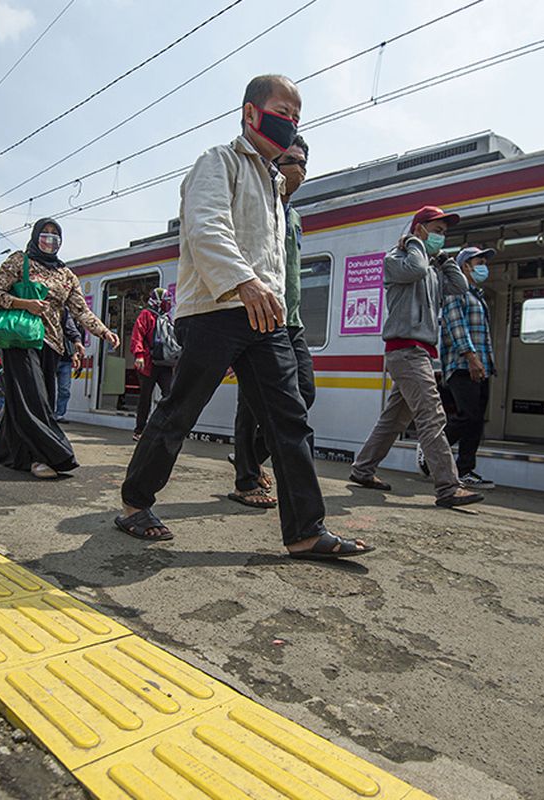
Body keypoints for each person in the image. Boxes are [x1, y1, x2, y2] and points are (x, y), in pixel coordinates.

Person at [115, 74, 373, 561]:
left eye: (297, 117)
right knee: (180, 410)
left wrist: (266, 296)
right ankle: (134, 504)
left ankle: (305, 530)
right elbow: (206, 227)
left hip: (264, 316)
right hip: (216, 307)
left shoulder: (275, 184)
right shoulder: (219, 162)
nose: (290, 122)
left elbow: (270, 261)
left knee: (289, 418)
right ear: (251, 113)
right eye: (282, 111)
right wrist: (243, 281)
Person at [348, 206, 483, 509]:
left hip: (420, 352)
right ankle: (448, 486)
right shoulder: (396, 260)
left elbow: (461, 288)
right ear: (419, 229)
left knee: (394, 418)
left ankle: (362, 469)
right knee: (432, 415)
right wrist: (414, 243)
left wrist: (447, 261)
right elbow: (416, 270)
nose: (441, 238)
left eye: (444, 233)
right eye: (436, 231)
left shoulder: (434, 269)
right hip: (406, 350)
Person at [0, 219, 118, 478]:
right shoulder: (19, 261)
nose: (50, 239)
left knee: (39, 398)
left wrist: (103, 331)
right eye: (45, 234)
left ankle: (7, 451)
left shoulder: (66, 275)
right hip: (21, 340)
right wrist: (24, 303)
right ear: (35, 236)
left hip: (53, 344)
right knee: (34, 400)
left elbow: (81, 310)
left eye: (55, 235)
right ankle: (44, 457)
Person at [229, 135, 314, 509]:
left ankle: (251, 459)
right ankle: (246, 477)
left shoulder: (294, 216)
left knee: (305, 392)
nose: (298, 169)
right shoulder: (259, 203)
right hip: (259, 314)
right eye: (290, 160)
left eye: (303, 163)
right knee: (251, 402)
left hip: (290, 318)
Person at [438, 245, 498, 490]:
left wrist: (485, 364)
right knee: (467, 415)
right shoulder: (456, 290)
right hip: (462, 364)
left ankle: (465, 470)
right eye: (479, 261)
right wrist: (471, 357)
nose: (484, 266)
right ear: (465, 266)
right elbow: (455, 325)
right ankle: (431, 448)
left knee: (476, 420)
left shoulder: (478, 296)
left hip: (479, 365)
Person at [129, 287, 176, 440]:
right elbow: (137, 335)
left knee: (169, 394)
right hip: (147, 363)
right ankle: (140, 430)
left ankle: (161, 426)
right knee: (145, 397)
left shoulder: (166, 317)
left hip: (164, 363)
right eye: (166, 301)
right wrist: (139, 355)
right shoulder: (146, 315)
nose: (168, 304)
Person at [55, 307, 85, 421]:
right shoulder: (59, 316)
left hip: (67, 361)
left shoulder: (78, 328)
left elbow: (79, 345)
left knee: (64, 390)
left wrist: (78, 360)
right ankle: (48, 412)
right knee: (48, 388)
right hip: (54, 358)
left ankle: (60, 414)